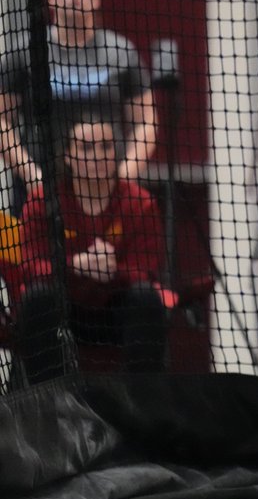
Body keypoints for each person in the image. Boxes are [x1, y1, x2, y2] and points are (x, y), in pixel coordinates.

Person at [13, 110, 168, 384]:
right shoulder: (42, 202)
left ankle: (141, 402)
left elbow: (147, 268)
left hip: (116, 311)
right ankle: (53, 402)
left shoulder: (141, 203)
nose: (96, 155)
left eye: (105, 146)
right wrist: (73, 265)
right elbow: (29, 264)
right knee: (35, 298)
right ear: (69, 156)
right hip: (64, 313)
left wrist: (114, 270)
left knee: (147, 298)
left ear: (116, 152)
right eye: (85, 147)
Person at [0, 0, 157, 214]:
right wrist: (32, 177)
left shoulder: (121, 52)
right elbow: (2, 120)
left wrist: (124, 176)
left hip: (107, 197)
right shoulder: (26, 51)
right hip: (41, 195)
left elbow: (147, 122)